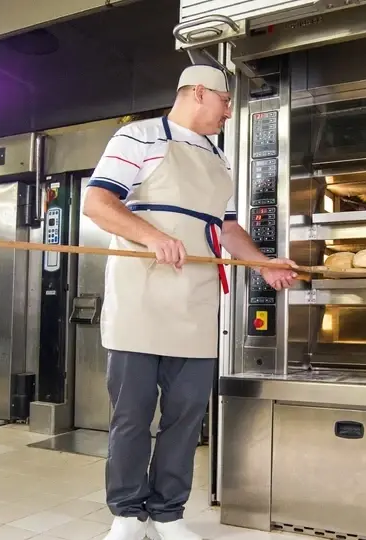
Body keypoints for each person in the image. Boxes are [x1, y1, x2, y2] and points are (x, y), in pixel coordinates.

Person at [83, 65, 298, 540]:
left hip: (197, 305)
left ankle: (167, 515)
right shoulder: (139, 137)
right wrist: (151, 235)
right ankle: (127, 515)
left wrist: (263, 264)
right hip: (141, 300)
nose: (228, 112)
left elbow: (228, 228)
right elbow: (97, 203)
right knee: (132, 416)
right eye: (225, 101)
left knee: (185, 417)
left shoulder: (220, 159)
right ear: (199, 92)